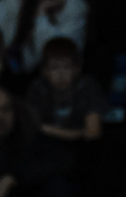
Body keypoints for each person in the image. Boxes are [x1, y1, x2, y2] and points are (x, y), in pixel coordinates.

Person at [26, 37, 106, 171]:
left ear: (77, 68)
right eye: (54, 67)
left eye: (67, 67)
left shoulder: (88, 87)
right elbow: (30, 128)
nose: (61, 74)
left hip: (81, 153)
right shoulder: (38, 89)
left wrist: (47, 130)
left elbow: (93, 132)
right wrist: (77, 133)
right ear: (44, 70)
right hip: (46, 153)